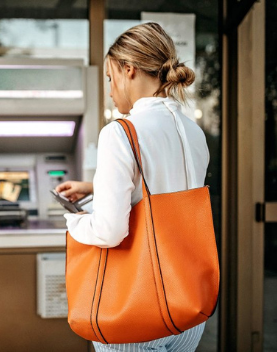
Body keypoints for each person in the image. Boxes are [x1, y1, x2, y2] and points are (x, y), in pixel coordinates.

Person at [56, 22, 209, 352]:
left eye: (111, 79)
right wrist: (94, 186)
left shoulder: (120, 132)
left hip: (138, 307)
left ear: (130, 69)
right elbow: (164, 193)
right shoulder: (192, 131)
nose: (110, 91)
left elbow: (109, 232)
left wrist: (74, 219)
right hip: (187, 307)